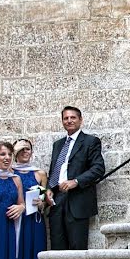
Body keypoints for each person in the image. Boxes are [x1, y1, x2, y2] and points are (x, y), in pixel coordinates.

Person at [47, 106, 106, 250]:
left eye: (73, 117)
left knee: (77, 247)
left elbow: (98, 169)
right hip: (57, 200)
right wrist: (49, 189)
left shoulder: (90, 142)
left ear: (80, 120)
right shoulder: (57, 144)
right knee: (57, 248)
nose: (69, 121)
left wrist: (76, 182)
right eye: (66, 118)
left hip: (77, 200)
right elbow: (54, 169)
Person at [12, 139, 49, 259]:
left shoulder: (40, 174)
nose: (24, 152)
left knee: (34, 251)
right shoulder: (9, 171)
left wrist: (41, 204)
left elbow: (45, 200)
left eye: (27, 149)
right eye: (21, 149)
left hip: (33, 219)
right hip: (16, 217)